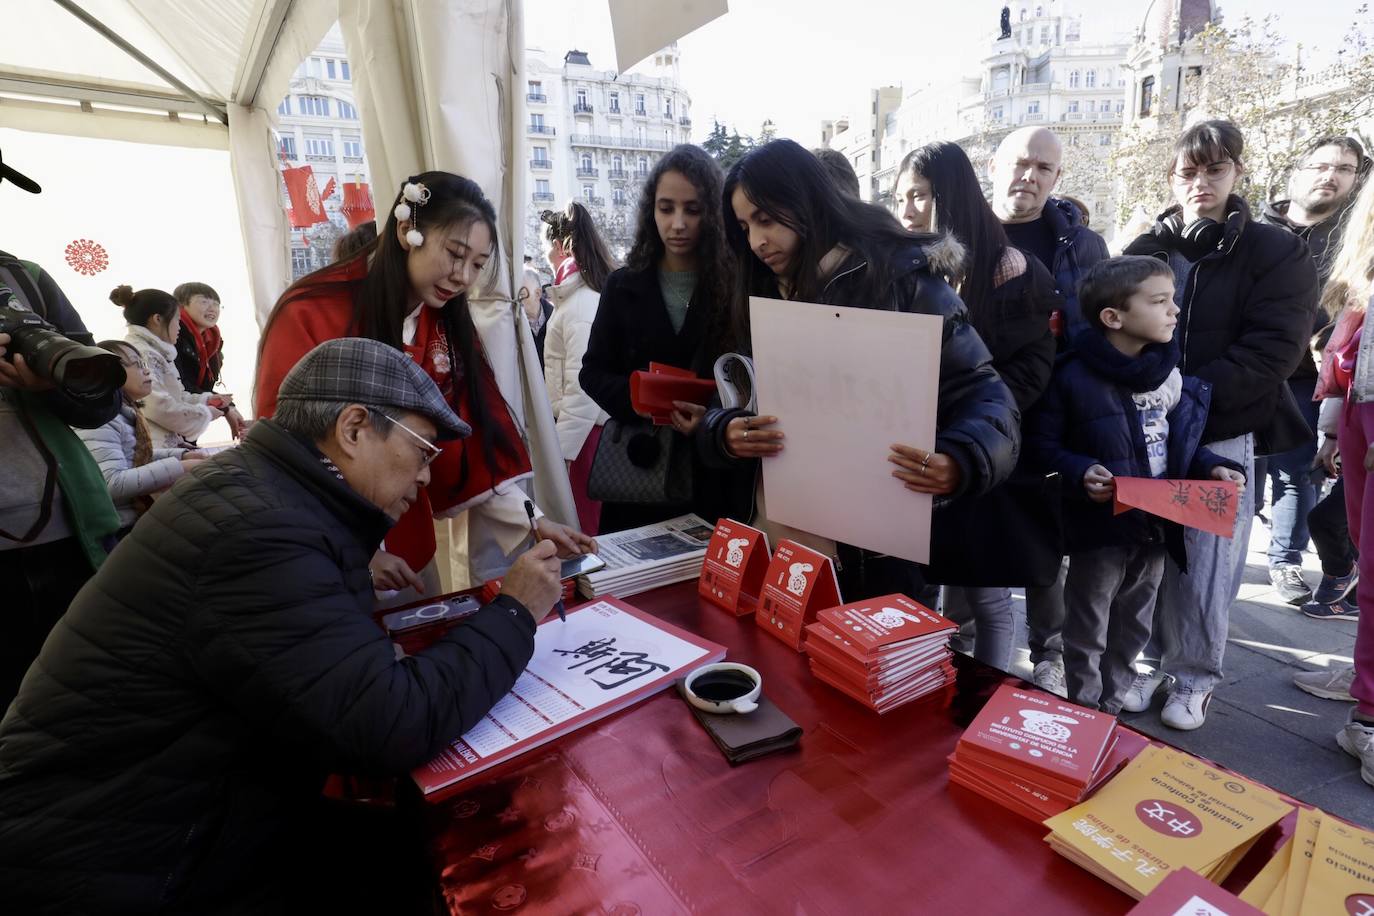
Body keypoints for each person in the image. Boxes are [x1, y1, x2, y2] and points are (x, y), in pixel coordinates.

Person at [0, 337, 564, 914]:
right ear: (353, 428)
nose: (425, 478)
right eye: (423, 452)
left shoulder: (266, 493)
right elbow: (390, 724)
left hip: (180, 816)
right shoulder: (260, 531)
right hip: (116, 861)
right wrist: (516, 611)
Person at [696, 138, 1019, 602]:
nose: (756, 241)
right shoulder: (760, 292)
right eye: (745, 226)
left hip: (877, 562)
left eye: (765, 219)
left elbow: (987, 397)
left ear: (808, 201)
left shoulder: (904, 284)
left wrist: (961, 460)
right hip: (774, 544)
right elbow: (727, 399)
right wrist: (725, 432)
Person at [255, 171, 592, 600]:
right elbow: (283, 452)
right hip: (324, 549)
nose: (463, 276)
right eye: (455, 254)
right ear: (405, 230)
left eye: (477, 264)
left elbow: (467, 441)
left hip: (405, 539)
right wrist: (356, 549)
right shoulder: (311, 311)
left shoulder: (442, 324)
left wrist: (532, 519)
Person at [1121, 120, 1318, 729]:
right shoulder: (1145, 247)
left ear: (1237, 172)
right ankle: (1149, 661)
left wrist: (1191, 394)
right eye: (1188, 171)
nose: (1200, 182)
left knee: (1207, 564)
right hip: (1144, 426)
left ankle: (1196, 677)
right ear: (1172, 177)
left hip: (1223, 427)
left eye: (1214, 169)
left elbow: (1274, 349)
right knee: (1148, 555)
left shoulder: (1275, 249)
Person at [1027, 256, 1245, 713]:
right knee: (1087, 627)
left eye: (1173, 301)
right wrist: (1079, 469)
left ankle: (1112, 707)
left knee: (1135, 626)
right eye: (1159, 301)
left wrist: (1211, 468)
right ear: (1114, 317)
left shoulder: (1169, 377)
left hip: (1156, 526)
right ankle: (1083, 711)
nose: (1174, 311)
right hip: (1098, 530)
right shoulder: (1070, 376)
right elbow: (1043, 446)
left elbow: (1175, 444)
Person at [894, 141, 1059, 670]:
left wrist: (970, 430)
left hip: (986, 458)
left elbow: (1026, 371)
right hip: (922, 455)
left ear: (950, 194)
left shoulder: (1012, 269)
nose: (907, 211)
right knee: (924, 591)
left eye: (919, 196)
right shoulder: (904, 270)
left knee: (988, 596)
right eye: (901, 198)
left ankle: (990, 694)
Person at [988, 125, 1111, 694]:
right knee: (966, 521)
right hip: (975, 406)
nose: (1029, 176)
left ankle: (1048, 652)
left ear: (1058, 178)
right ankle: (963, 633)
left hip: (1050, 412)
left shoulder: (1080, 245)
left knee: (1046, 540)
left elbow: (1095, 333)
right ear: (995, 166)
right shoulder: (965, 234)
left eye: (1043, 168)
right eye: (1020, 163)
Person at [0, 153, 123, 715]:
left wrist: (47, 385)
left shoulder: (25, 277)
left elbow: (103, 396)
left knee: (87, 702)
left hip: (71, 536)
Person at [581, 144, 745, 533]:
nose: (678, 223)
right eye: (666, 207)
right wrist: (640, 400)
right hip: (638, 474)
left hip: (712, 474)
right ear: (650, 210)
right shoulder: (622, 285)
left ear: (714, 214)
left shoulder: (737, 285)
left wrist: (713, 418)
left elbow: (751, 379)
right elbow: (592, 372)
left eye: (693, 209)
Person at [1260, 136, 1368, 606]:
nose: (1331, 174)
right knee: (1238, 473)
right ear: (1297, 172)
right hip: (1250, 370)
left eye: (1345, 168)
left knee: (1295, 475)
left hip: (1310, 379)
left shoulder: (1355, 241)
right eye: (1322, 164)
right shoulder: (1255, 228)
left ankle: (1284, 563)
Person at [1301, 170, 1374, 784]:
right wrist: (1332, 431)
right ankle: (1367, 708)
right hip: (1362, 416)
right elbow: (1342, 356)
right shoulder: (1359, 282)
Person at [76, 340, 206, 535]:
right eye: (137, 365)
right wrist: (181, 467)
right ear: (107, 373)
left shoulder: (123, 413)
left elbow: (133, 457)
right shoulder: (98, 419)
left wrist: (182, 456)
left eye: (144, 364)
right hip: (116, 528)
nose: (146, 371)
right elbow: (112, 482)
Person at [542, 203, 615, 535]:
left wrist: (561, 452)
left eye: (546, 248)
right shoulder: (577, 299)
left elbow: (582, 386)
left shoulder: (581, 302)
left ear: (559, 247)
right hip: (583, 433)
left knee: (580, 534)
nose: (545, 256)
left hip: (583, 437)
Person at [117, 285, 229, 448]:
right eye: (177, 319)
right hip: (149, 445)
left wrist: (206, 399)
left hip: (162, 441)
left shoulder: (156, 350)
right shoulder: (142, 353)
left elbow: (175, 395)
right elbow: (157, 406)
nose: (179, 327)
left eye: (216, 304)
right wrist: (205, 413)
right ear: (157, 319)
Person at [173, 281, 246, 438]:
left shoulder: (212, 340)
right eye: (204, 301)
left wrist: (228, 406)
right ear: (181, 306)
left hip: (190, 420)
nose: (212, 308)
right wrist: (225, 407)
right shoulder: (174, 337)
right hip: (171, 420)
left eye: (216, 304)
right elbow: (182, 387)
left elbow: (203, 386)